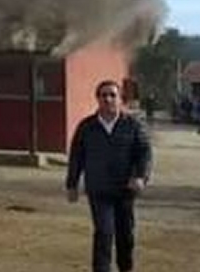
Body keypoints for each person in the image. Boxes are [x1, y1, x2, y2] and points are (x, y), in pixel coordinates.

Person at [66, 80, 152, 272]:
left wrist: (140, 176)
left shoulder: (132, 125)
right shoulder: (86, 127)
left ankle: (125, 268)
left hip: (125, 190)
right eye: (103, 95)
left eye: (112, 95)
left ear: (120, 99)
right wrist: (72, 184)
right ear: (97, 98)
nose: (108, 99)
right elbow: (76, 156)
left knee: (125, 236)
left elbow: (144, 153)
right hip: (99, 189)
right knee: (103, 233)